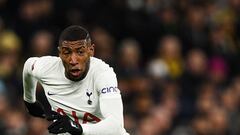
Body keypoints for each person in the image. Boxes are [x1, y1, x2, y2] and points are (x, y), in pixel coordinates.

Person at [23, 25, 129, 135]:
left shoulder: (103, 74)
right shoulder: (47, 68)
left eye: (80, 52)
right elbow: (28, 66)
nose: (73, 60)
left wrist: (77, 128)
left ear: (91, 51)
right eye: (67, 52)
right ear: (60, 53)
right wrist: (29, 100)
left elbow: (116, 126)